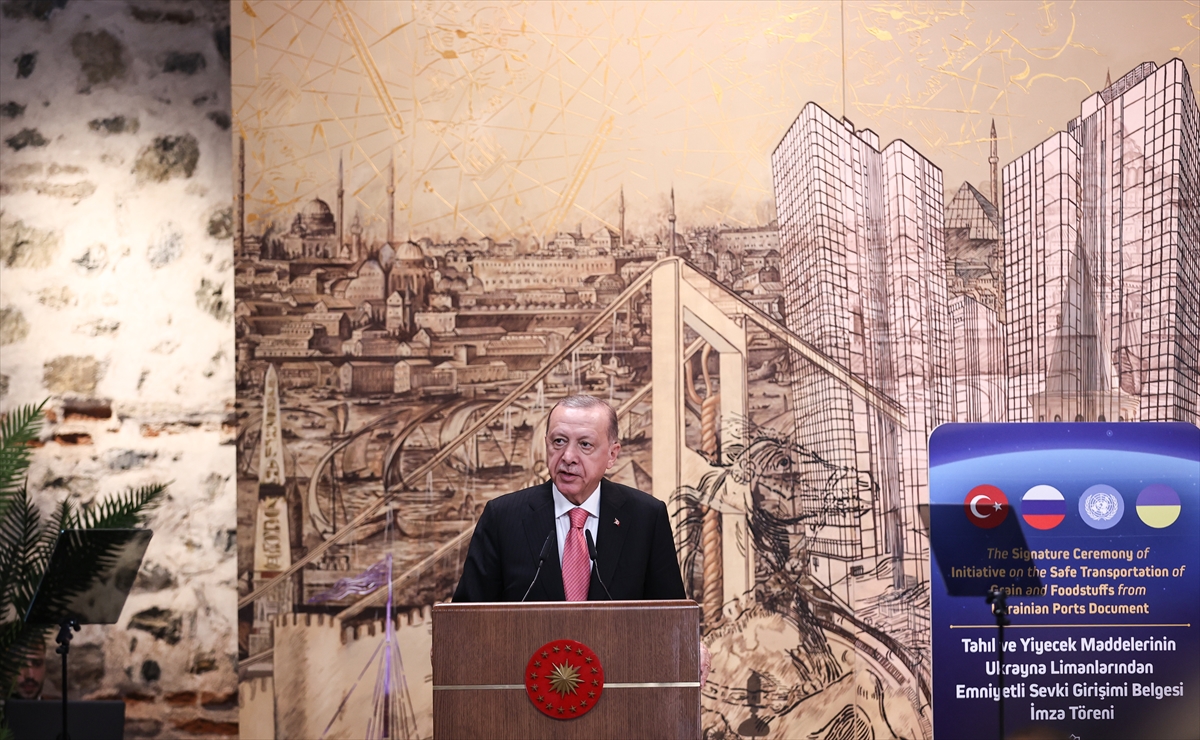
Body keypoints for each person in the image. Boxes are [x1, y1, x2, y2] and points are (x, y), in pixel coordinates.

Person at [452, 394, 686, 603]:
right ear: (546, 444)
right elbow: (467, 617)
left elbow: (671, 617)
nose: (568, 457)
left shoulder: (646, 518)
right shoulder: (502, 517)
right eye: (559, 442)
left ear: (612, 454)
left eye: (585, 444)